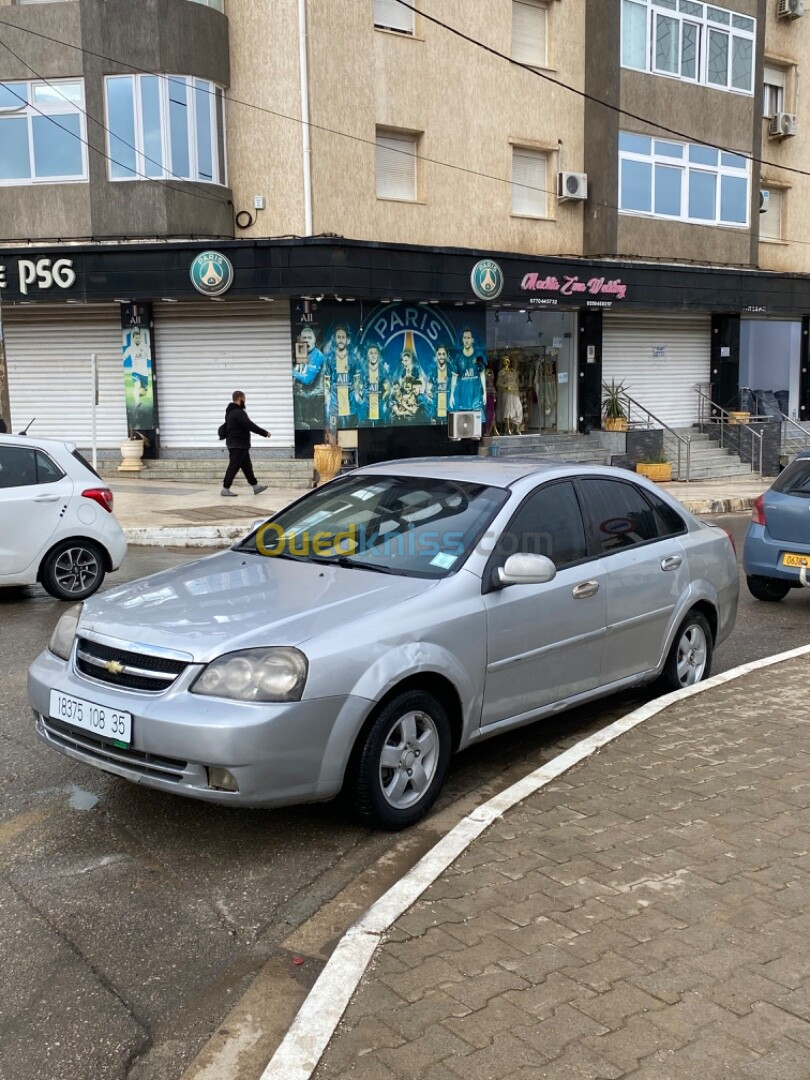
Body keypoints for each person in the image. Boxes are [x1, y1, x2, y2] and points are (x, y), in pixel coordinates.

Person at [221, 390, 270, 497]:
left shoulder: (230, 412)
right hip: (238, 445)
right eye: (244, 398)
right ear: (239, 398)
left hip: (238, 445)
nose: (245, 401)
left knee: (247, 467)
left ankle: (255, 486)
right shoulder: (238, 413)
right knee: (233, 467)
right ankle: (225, 488)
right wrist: (265, 433)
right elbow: (250, 425)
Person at [291, 326, 327, 429]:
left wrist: (292, 371)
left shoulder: (318, 356)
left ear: (315, 340)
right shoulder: (302, 352)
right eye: (304, 338)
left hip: (315, 398)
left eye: (310, 338)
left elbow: (307, 380)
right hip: (304, 397)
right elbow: (300, 372)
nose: (307, 341)